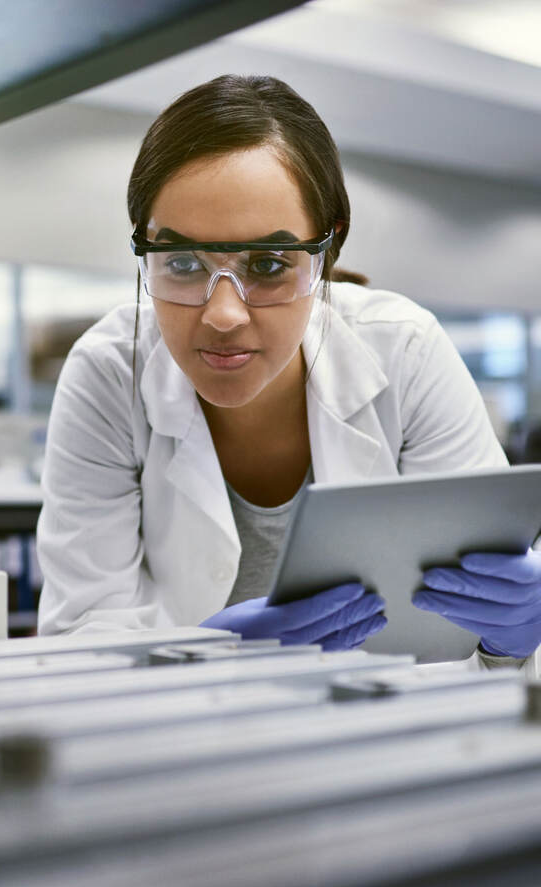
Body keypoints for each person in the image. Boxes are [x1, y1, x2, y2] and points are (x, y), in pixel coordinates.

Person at [36, 74, 541, 671]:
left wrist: (511, 647)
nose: (222, 315)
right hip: (182, 748)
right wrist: (201, 659)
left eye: (270, 263)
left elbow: (470, 658)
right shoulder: (108, 373)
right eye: (182, 262)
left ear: (326, 253)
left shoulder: (406, 351)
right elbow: (76, 648)